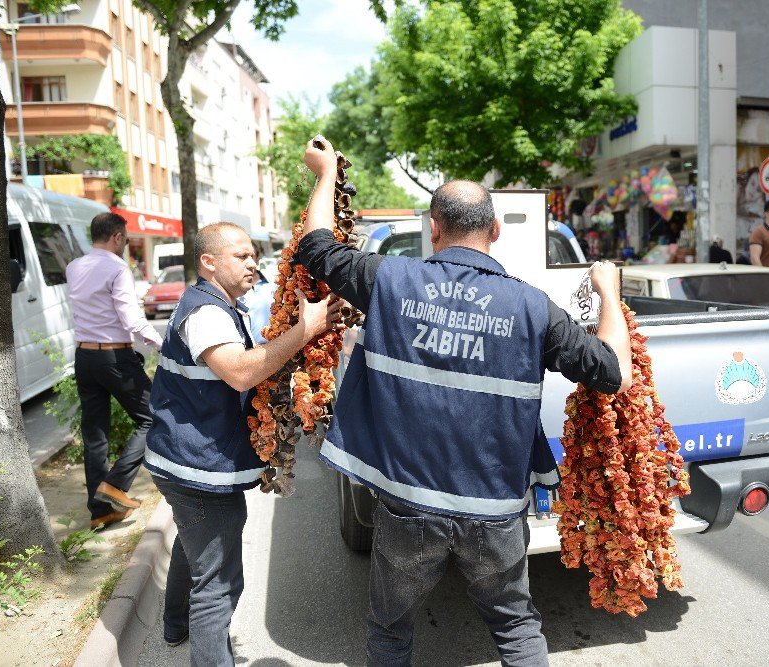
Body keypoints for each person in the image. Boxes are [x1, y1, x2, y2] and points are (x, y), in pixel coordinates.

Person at [297, 136, 633, 666]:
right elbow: (614, 372)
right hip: (494, 514)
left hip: (407, 507)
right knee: (517, 629)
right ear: (495, 231)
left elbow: (315, 248)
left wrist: (324, 173)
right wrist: (610, 291)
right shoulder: (532, 309)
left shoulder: (389, 280)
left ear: (434, 230)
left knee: (390, 632)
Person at [144, 223, 341, 662]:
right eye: (241, 256)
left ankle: (175, 625)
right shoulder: (206, 313)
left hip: (186, 462)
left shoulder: (222, 304)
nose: (253, 262)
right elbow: (239, 372)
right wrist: (305, 330)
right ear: (208, 262)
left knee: (193, 540)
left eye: (253, 255)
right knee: (219, 585)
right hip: (196, 468)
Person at [66, 212, 162, 530]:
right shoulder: (117, 267)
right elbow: (131, 319)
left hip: (84, 358)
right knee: (153, 416)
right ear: (117, 237)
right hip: (114, 358)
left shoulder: (74, 266)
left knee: (95, 435)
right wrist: (163, 345)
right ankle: (115, 486)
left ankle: (100, 512)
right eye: (126, 238)